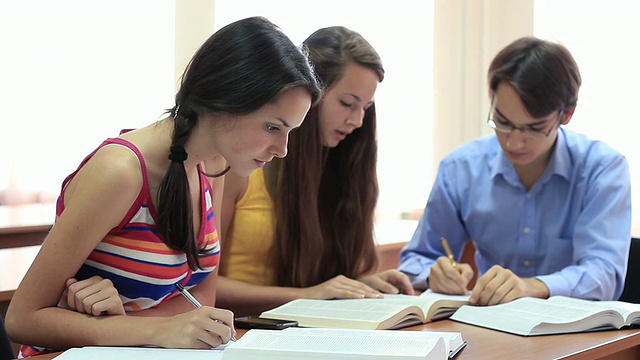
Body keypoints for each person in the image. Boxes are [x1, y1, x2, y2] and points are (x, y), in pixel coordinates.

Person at [5, 16, 320, 357]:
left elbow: (201, 302)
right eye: (273, 127)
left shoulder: (215, 164)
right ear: (223, 101)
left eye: (291, 131)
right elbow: (22, 319)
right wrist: (151, 326)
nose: (283, 149)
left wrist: (128, 321)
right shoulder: (120, 172)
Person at [398, 36, 631, 306]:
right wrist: (433, 275)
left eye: (533, 128)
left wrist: (531, 286)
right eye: (502, 122)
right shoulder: (461, 168)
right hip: (491, 326)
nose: (513, 142)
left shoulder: (602, 169)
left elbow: (604, 274)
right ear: (492, 101)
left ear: (566, 114)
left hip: (573, 332)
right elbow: (417, 258)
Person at [215, 26, 413, 317]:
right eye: (347, 103)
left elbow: (327, 282)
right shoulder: (241, 166)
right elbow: (201, 287)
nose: (358, 120)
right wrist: (307, 296)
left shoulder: (345, 169)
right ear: (309, 93)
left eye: (366, 108)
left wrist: (361, 284)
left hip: (316, 331)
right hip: (244, 334)